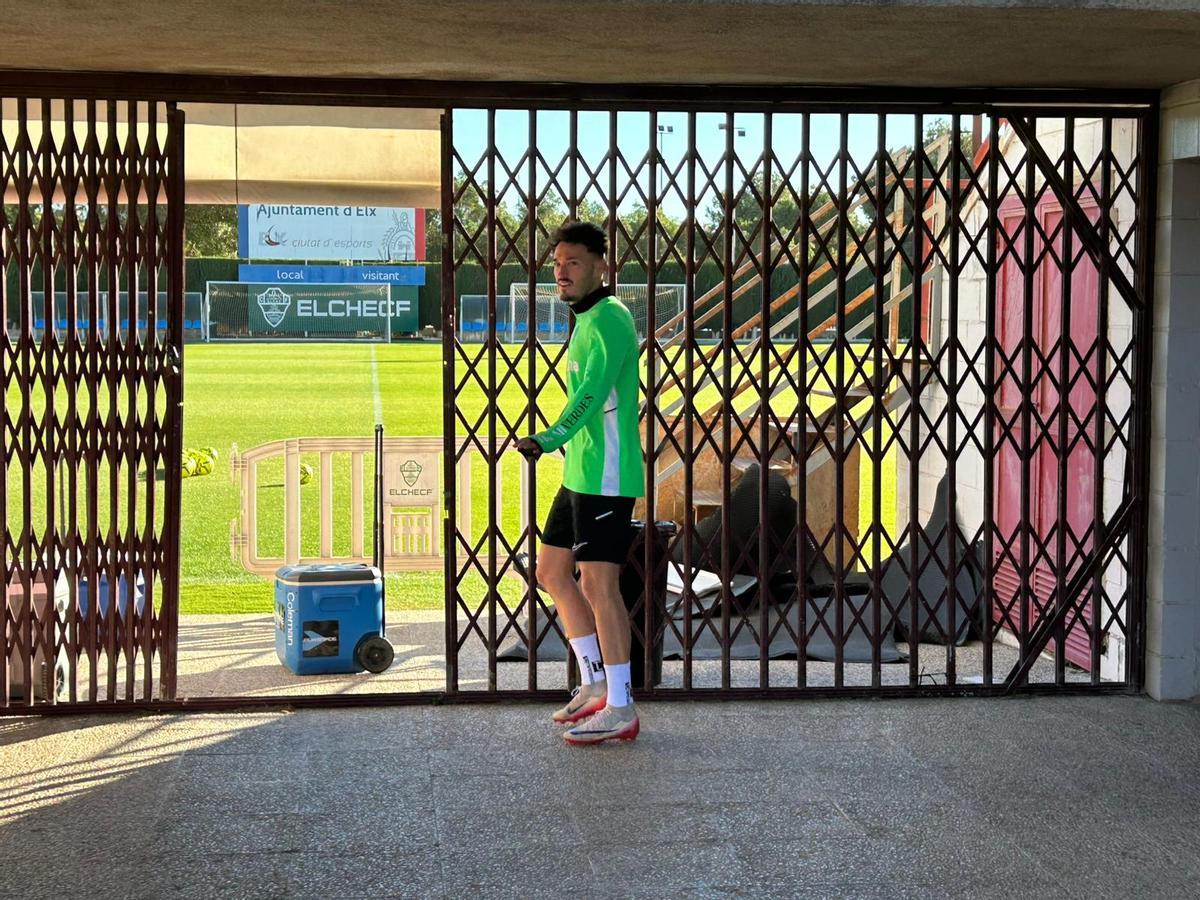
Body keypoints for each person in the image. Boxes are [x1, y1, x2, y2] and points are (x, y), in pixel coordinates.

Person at [515, 221, 644, 745]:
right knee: (552, 572)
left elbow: (591, 394)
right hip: (580, 473)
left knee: (599, 585)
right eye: (556, 263)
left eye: (572, 263)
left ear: (599, 267)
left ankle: (622, 705)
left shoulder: (611, 318)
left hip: (607, 476)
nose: (561, 272)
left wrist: (547, 438)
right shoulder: (587, 319)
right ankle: (593, 682)